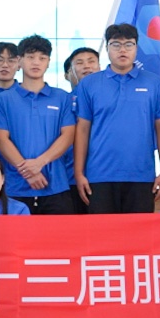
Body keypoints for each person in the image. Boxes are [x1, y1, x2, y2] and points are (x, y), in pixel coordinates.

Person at [75, 23, 160, 214]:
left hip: (141, 175)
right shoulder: (89, 84)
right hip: (99, 175)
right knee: (103, 232)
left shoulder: (154, 83)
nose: (122, 50)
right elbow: (82, 129)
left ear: (136, 47)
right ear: (107, 48)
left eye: (129, 44)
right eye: (116, 45)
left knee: (140, 232)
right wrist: (79, 173)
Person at [0, 35, 76, 215]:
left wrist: (40, 163)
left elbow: (68, 135)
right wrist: (28, 171)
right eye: (30, 57)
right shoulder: (4, 100)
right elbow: (1, 139)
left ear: (48, 62)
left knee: (58, 233)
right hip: (15, 187)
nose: (36, 62)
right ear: (19, 61)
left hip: (56, 186)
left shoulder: (62, 97)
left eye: (42, 58)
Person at [62, 46, 100, 212]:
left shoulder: (110, 97)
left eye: (91, 61)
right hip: (69, 177)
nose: (86, 66)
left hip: (102, 176)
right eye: (80, 63)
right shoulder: (64, 101)